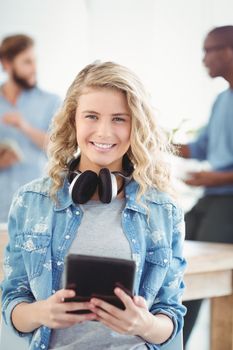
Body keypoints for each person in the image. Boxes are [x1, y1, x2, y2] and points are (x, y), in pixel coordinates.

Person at [1, 61, 186, 350]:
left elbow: (171, 315)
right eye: (91, 116)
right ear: (73, 120)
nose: (104, 132)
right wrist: (41, 312)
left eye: (119, 119)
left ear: (136, 125)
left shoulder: (163, 210)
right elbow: (13, 302)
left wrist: (145, 324)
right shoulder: (31, 201)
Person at [175, 25, 233, 347]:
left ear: (230, 51)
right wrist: (150, 138)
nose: (204, 59)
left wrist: (216, 178)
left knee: (196, 271)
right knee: (174, 258)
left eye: (209, 50)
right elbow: (199, 149)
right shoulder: (222, 101)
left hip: (228, 201)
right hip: (210, 198)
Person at [0, 34, 60, 222]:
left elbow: (58, 148)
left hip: (36, 208)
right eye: (27, 62)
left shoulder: (51, 102)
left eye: (35, 61)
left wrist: (25, 127)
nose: (34, 68)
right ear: (7, 63)